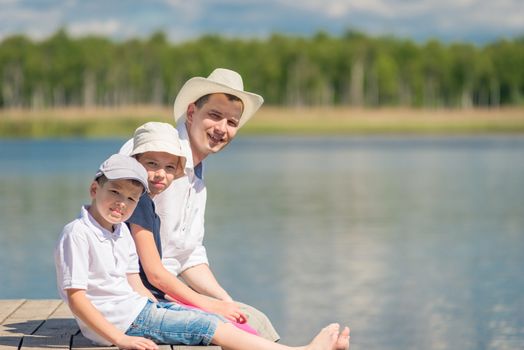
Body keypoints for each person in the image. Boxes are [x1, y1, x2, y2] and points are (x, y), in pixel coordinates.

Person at [54, 153, 351, 349]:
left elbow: (133, 283)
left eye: (131, 199)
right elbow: (76, 298)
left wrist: (165, 309)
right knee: (204, 324)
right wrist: (120, 339)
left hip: (137, 310)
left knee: (213, 318)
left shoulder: (120, 232)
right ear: (95, 189)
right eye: (114, 192)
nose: (121, 203)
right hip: (120, 324)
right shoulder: (78, 234)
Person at [119, 68, 277, 340]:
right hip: (136, 296)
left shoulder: (197, 177)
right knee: (234, 328)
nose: (221, 129)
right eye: (214, 116)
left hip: (166, 290)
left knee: (253, 319)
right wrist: (209, 304)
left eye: (232, 122)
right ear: (192, 113)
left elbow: (188, 255)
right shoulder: (155, 156)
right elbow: (140, 262)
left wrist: (227, 301)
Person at [126, 121, 257, 334]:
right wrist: (209, 305)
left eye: (169, 167)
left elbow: (183, 258)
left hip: (147, 298)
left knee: (240, 323)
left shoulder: (147, 204)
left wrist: (222, 300)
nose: (160, 174)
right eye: (151, 164)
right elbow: (153, 274)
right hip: (135, 308)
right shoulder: (138, 202)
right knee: (220, 326)